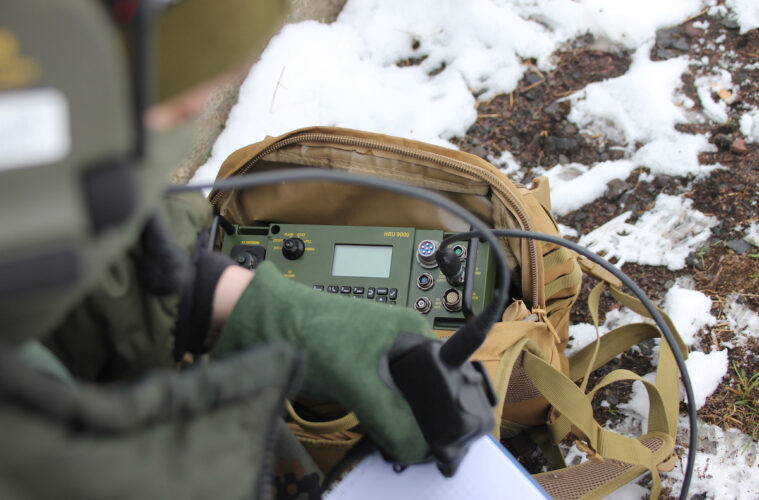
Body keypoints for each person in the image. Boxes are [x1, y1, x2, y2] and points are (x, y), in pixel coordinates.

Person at [0, 1, 461, 498]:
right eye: (164, 107)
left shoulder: (38, 210)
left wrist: (223, 297)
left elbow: (67, 250)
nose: (189, 114)